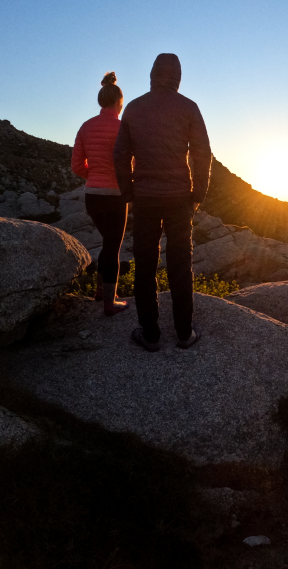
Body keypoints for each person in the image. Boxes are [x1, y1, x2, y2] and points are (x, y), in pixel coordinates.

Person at [114, 53, 212, 351]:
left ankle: (151, 334)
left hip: (144, 198)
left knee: (145, 264)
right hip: (179, 198)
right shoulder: (189, 108)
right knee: (180, 264)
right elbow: (202, 154)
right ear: (178, 76)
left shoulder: (133, 107)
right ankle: (184, 333)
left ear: (153, 74)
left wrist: (128, 192)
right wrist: (198, 194)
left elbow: (120, 154)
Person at [71, 72, 129, 317]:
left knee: (107, 243)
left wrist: (94, 175)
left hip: (92, 195)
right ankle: (109, 302)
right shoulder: (124, 128)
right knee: (113, 247)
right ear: (119, 102)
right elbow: (130, 163)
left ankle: (98, 291)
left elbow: (76, 166)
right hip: (116, 195)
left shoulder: (86, 126)